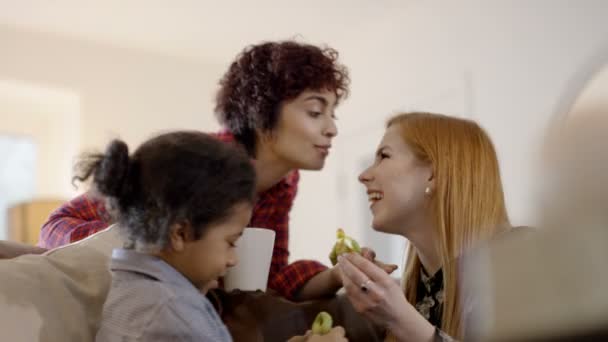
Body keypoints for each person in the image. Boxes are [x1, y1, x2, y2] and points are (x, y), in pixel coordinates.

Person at [38, 40, 353, 300]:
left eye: (332, 113)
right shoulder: (199, 164)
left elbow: (267, 279)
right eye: (315, 111)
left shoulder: (285, 182)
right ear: (262, 113)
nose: (332, 129)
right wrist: (152, 250)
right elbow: (55, 225)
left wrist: (338, 275)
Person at [89, 132, 347, 341]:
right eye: (231, 242)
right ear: (180, 233)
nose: (234, 259)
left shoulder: (138, 293)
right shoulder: (172, 314)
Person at [338, 112, 511, 341]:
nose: (363, 176)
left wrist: (401, 320)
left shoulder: (521, 258)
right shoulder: (417, 294)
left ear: (433, 173)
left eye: (384, 156)